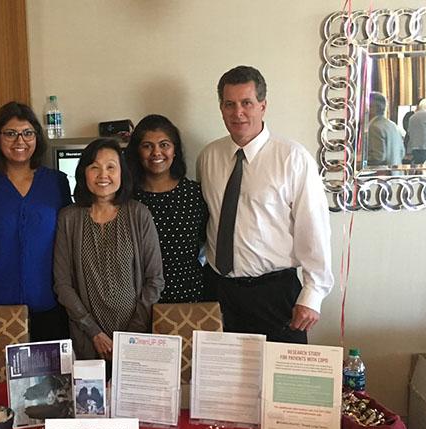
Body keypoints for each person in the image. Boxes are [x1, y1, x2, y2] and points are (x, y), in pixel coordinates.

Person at [196, 65, 332, 344]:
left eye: (246, 103)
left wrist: (312, 295)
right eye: (229, 104)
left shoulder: (293, 158)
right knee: (218, 371)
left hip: (274, 294)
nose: (238, 113)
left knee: (280, 372)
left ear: (263, 105)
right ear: (221, 108)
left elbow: (314, 228)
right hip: (218, 292)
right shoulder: (209, 157)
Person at [0, 102, 72, 341]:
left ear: (37, 137)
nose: (20, 141)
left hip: (50, 305)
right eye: (10, 133)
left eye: (27, 133)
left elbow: (70, 242)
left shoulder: (57, 183)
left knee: (50, 367)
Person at [53, 138, 164, 361]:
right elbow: (63, 284)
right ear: (84, 173)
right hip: (87, 337)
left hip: (135, 337)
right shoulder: (68, 218)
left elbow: (155, 280)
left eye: (111, 167)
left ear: (122, 173)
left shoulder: (139, 214)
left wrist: (130, 336)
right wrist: (94, 332)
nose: (103, 175)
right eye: (95, 167)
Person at [127, 114, 207, 303]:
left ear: (175, 150)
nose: (156, 152)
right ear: (137, 152)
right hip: (139, 300)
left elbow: (208, 243)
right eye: (147, 146)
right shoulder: (127, 198)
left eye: (164, 145)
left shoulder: (195, 194)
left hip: (189, 297)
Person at [366, 92, 405, 167]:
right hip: (396, 171)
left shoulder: (374, 127)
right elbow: (402, 152)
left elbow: (378, 157)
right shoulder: (393, 125)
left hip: (380, 172)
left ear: (373, 108)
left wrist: (359, 158)